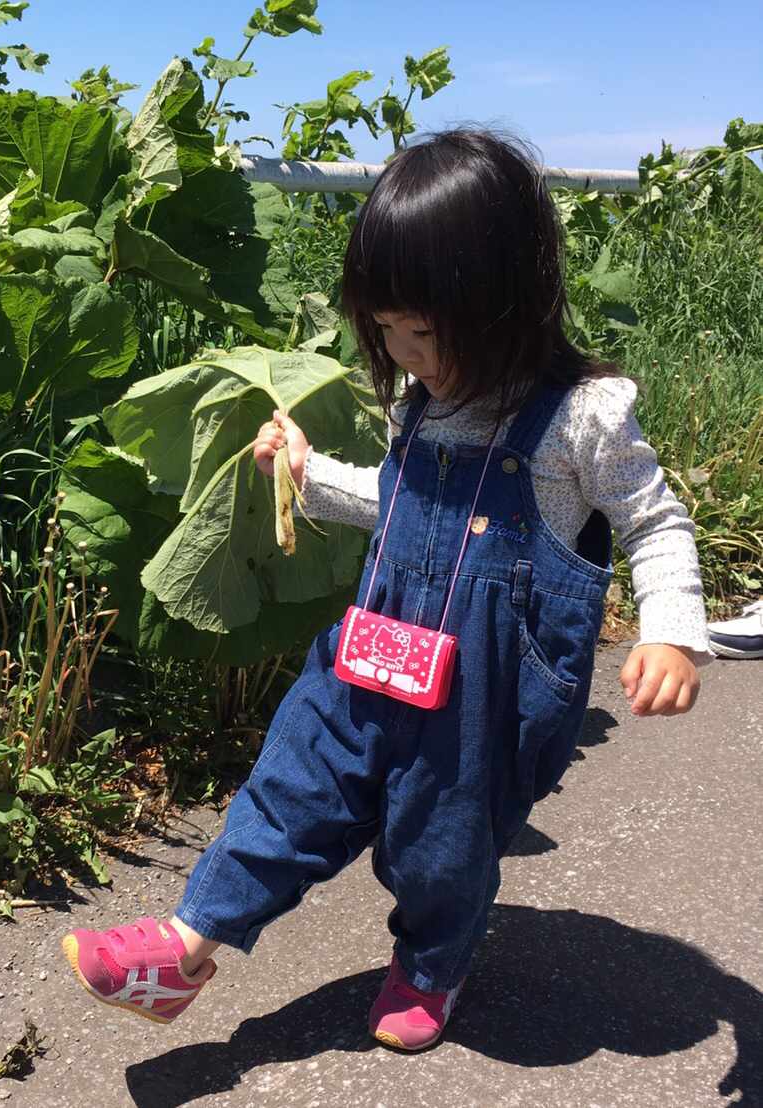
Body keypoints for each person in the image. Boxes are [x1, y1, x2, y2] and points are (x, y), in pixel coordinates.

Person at [61, 130, 708, 1051]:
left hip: (480, 700)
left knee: (439, 848)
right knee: (291, 785)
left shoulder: (580, 418)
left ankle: (433, 963)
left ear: (505, 301)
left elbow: (655, 519)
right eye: (388, 331)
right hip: (372, 650)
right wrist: (307, 470)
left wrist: (672, 633)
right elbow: (397, 501)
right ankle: (182, 948)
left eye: (425, 331)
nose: (406, 354)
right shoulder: (422, 402)